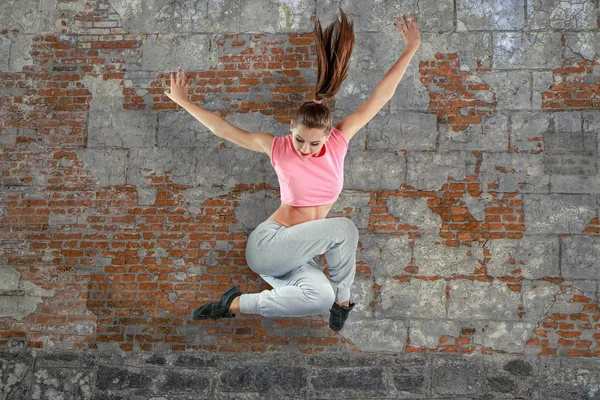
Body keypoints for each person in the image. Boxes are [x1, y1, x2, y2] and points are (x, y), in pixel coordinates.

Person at [166, 11, 420, 331]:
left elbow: (381, 96)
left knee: (318, 297)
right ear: (291, 128)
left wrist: (410, 48)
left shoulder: (340, 140)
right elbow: (225, 131)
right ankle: (344, 302)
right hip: (270, 246)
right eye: (300, 139)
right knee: (343, 229)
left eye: (314, 144)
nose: (305, 149)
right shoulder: (278, 148)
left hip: (296, 261)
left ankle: (232, 303)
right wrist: (184, 101)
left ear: (328, 136)